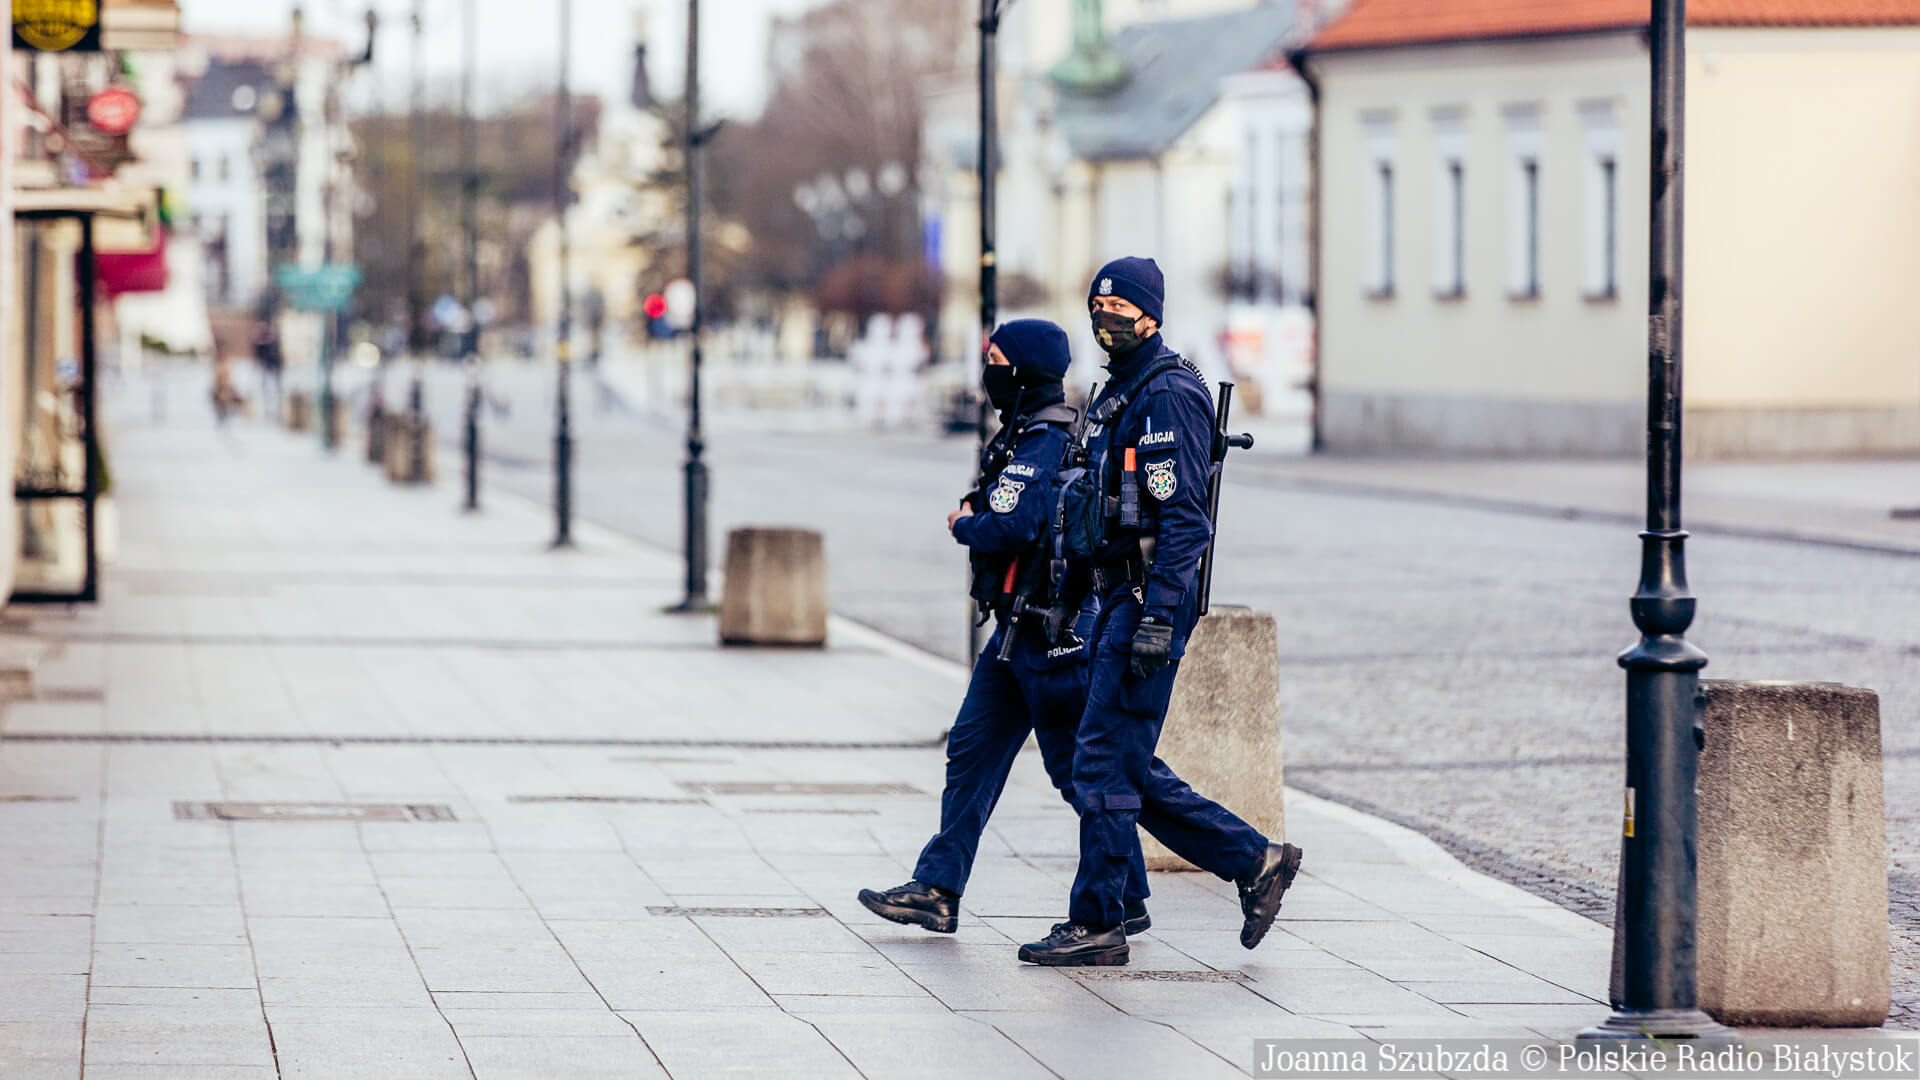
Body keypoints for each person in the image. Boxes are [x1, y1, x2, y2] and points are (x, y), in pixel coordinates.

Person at [1017, 257, 1303, 967]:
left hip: (1147, 603)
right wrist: (1071, 601)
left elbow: (1184, 523)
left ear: (1152, 315)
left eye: (1121, 311)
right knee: (1123, 765)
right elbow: (1095, 511)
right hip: (1117, 596)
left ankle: (1100, 920)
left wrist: (1157, 617)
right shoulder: (1119, 393)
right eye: (1099, 310)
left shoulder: (1167, 395)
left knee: (1101, 764)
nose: (1107, 321)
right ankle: (1253, 860)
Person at [858, 319, 1156, 937]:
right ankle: (938, 888)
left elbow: (1009, 522)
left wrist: (966, 523)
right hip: (1017, 631)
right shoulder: (1025, 432)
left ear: (1020, 370)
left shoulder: (1046, 438)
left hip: (1051, 632)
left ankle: (1196, 869)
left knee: (1092, 770)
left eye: (995, 358)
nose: (987, 368)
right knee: (972, 749)